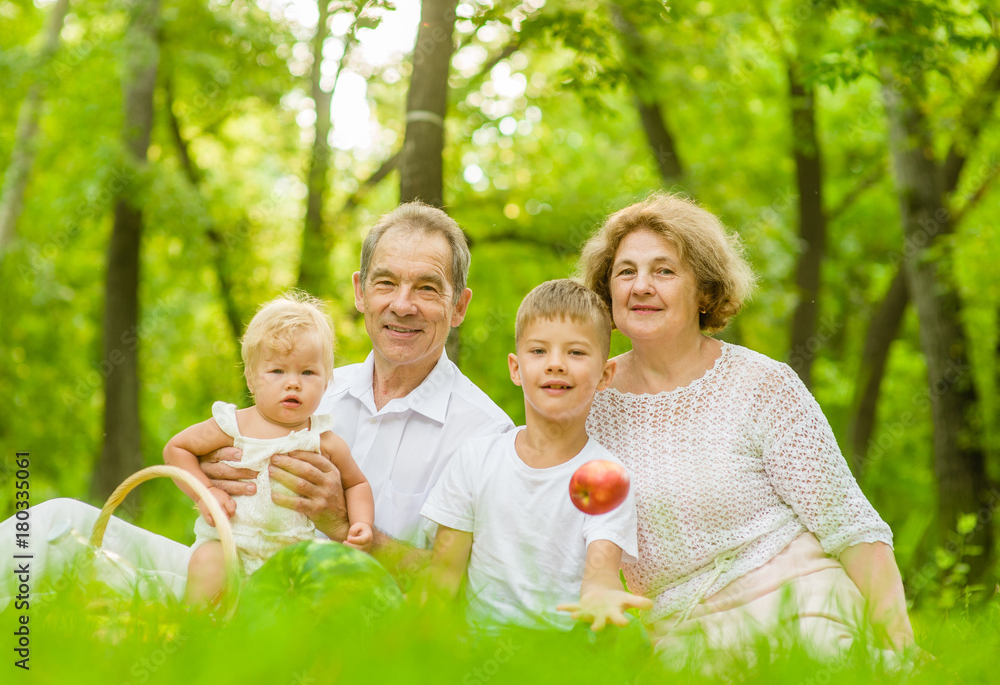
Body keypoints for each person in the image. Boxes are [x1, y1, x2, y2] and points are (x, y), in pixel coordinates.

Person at [0, 202, 513, 606]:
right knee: (54, 526)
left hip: (339, 622)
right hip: (227, 581)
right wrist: (211, 479)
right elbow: (199, 457)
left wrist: (349, 528)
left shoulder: (485, 436)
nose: (402, 304)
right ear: (360, 293)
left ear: (459, 306)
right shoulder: (308, 391)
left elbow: (471, 595)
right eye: (386, 282)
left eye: (427, 288)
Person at [578, 192, 915, 665]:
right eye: (626, 272)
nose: (641, 286)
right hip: (682, 632)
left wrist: (903, 644)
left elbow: (848, 523)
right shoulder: (586, 403)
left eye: (665, 271)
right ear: (607, 289)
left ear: (705, 292)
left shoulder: (762, 384)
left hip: (799, 599)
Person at [420, 279, 651, 630]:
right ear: (516, 368)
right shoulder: (475, 459)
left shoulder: (606, 476)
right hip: (478, 649)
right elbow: (443, 577)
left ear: (605, 374)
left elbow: (600, 575)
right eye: (539, 351)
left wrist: (602, 596)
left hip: (564, 650)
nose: (555, 364)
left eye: (576, 353)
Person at [163, 293, 374, 603]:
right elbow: (176, 450)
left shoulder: (323, 440)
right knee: (209, 563)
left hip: (289, 554)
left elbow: (356, 484)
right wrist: (205, 492)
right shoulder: (232, 425)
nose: (293, 383)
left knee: (312, 592)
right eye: (277, 371)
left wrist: (361, 524)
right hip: (228, 544)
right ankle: (197, 626)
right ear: (251, 379)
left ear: (326, 381)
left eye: (308, 372)